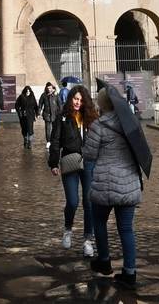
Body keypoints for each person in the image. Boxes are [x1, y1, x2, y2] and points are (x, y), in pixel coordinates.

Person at [84, 86, 147, 291]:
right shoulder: (131, 124)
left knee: (99, 221)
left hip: (105, 183)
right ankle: (130, 272)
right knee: (126, 229)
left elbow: (89, 155)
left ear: (102, 104)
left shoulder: (98, 126)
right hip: (128, 183)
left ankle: (104, 261)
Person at [48, 85, 97, 258]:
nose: (78, 102)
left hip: (89, 163)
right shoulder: (63, 117)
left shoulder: (91, 118)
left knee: (89, 202)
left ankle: (87, 240)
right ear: (71, 99)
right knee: (73, 201)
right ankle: (68, 229)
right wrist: (53, 162)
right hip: (70, 161)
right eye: (76, 99)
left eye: (81, 100)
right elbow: (55, 141)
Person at [16, 85, 39, 150]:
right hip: (23, 116)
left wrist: (37, 113)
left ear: (30, 91)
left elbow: (35, 106)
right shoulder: (21, 97)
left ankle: (30, 142)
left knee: (30, 129)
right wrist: (19, 112)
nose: (28, 92)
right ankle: (25, 139)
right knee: (24, 129)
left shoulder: (32, 97)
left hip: (30, 115)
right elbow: (17, 105)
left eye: (29, 91)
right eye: (26, 91)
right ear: (25, 91)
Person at [38, 81, 60, 148]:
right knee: (48, 129)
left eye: (50, 88)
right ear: (46, 88)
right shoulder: (43, 95)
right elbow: (40, 104)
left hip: (55, 114)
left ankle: (54, 141)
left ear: (52, 88)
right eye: (48, 88)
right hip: (47, 114)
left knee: (55, 129)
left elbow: (59, 104)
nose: (49, 89)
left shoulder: (56, 95)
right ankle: (48, 141)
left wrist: (61, 113)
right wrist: (39, 112)